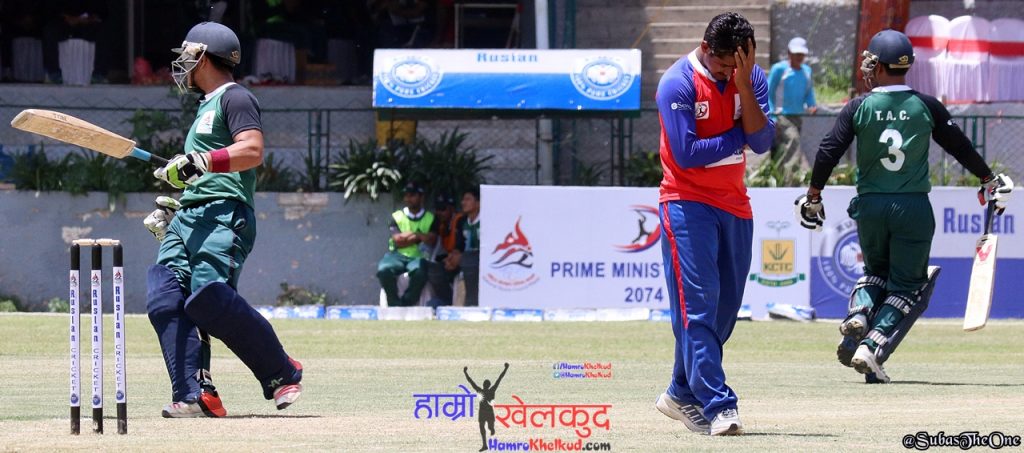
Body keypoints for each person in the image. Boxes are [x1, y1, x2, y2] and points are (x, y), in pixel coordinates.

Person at [795, 29, 1014, 383]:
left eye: (871, 63)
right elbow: (960, 147)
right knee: (907, 287)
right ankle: (871, 346)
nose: (867, 69)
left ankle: (860, 312)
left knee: (874, 274)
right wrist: (988, 179)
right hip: (912, 208)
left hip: (870, 206)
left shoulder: (859, 106)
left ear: (880, 67)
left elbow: (828, 150)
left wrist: (814, 195)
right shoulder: (926, 105)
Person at [143, 22, 303, 418]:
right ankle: (196, 395)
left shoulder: (236, 97)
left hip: (223, 214)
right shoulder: (205, 105)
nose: (181, 63)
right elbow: (205, 170)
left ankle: (281, 371)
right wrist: (180, 204)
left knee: (208, 299)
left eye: (187, 54)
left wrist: (199, 161)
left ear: (204, 56)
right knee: (164, 296)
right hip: (191, 215)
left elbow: (251, 151)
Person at [652, 12, 774, 436]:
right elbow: (687, 153)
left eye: (737, 66)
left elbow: (763, 140)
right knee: (699, 307)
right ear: (706, 49)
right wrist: (740, 135)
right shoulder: (677, 82)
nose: (728, 74)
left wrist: (745, 87)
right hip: (686, 204)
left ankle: (678, 391)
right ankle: (719, 404)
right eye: (723, 66)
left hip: (736, 205)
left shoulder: (749, 77)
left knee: (723, 313)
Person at [377, 182, 438, 306]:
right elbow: (398, 241)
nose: (408, 199)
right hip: (397, 256)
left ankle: (406, 303)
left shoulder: (431, 218)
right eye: (406, 195)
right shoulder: (397, 216)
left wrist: (408, 236)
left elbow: (431, 240)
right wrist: (419, 236)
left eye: (412, 195)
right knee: (383, 270)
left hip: (419, 257)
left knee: (420, 273)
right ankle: (394, 304)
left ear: (421, 197)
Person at [767, 37, 818, 171]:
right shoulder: (779, 69)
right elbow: (768, 93)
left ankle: (779, 175)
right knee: (793, 141)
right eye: (796, 54)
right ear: (789, 53)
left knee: (785, 148)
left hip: (798, 116)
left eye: (801, 54)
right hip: (781, 116)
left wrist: (811, 104)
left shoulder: (806, 71)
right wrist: (771, 116)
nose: (799, 57)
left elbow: (809, 92)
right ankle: (791, 179)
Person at [446, 188, 481, 306]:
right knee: (439, 269)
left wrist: (461, 258)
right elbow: (459, 245)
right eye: (463, 200)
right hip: (465, 260)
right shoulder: (461, 221)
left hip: (480, 260)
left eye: (468, 199)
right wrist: (452, 258)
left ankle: (470, 304)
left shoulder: (486, 220)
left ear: (478, 203)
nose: (463, 203)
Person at [464, 363, 509, 452]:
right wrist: (506, 368)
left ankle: (491, 430)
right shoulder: (491, 390)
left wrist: (465, 372)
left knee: (488, 427)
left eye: (485, 383)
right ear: (488, 385)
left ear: (484, 385)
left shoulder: (481, 391)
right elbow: (499, 378)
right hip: (487, 412)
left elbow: (471, 382)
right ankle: (485, 444)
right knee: (482, 427)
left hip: (484, 412)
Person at [427, 193, 461, 306]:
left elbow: (461, 246)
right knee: (432, 269)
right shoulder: (439, 221)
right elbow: (431, 239)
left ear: (452, 209)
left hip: (461, 257)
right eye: (437, 209)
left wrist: (452, 258)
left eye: (442, 209)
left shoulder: (460, 220)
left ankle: (449, 302)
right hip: (448, 257)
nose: (439, 212)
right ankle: (445, 300)